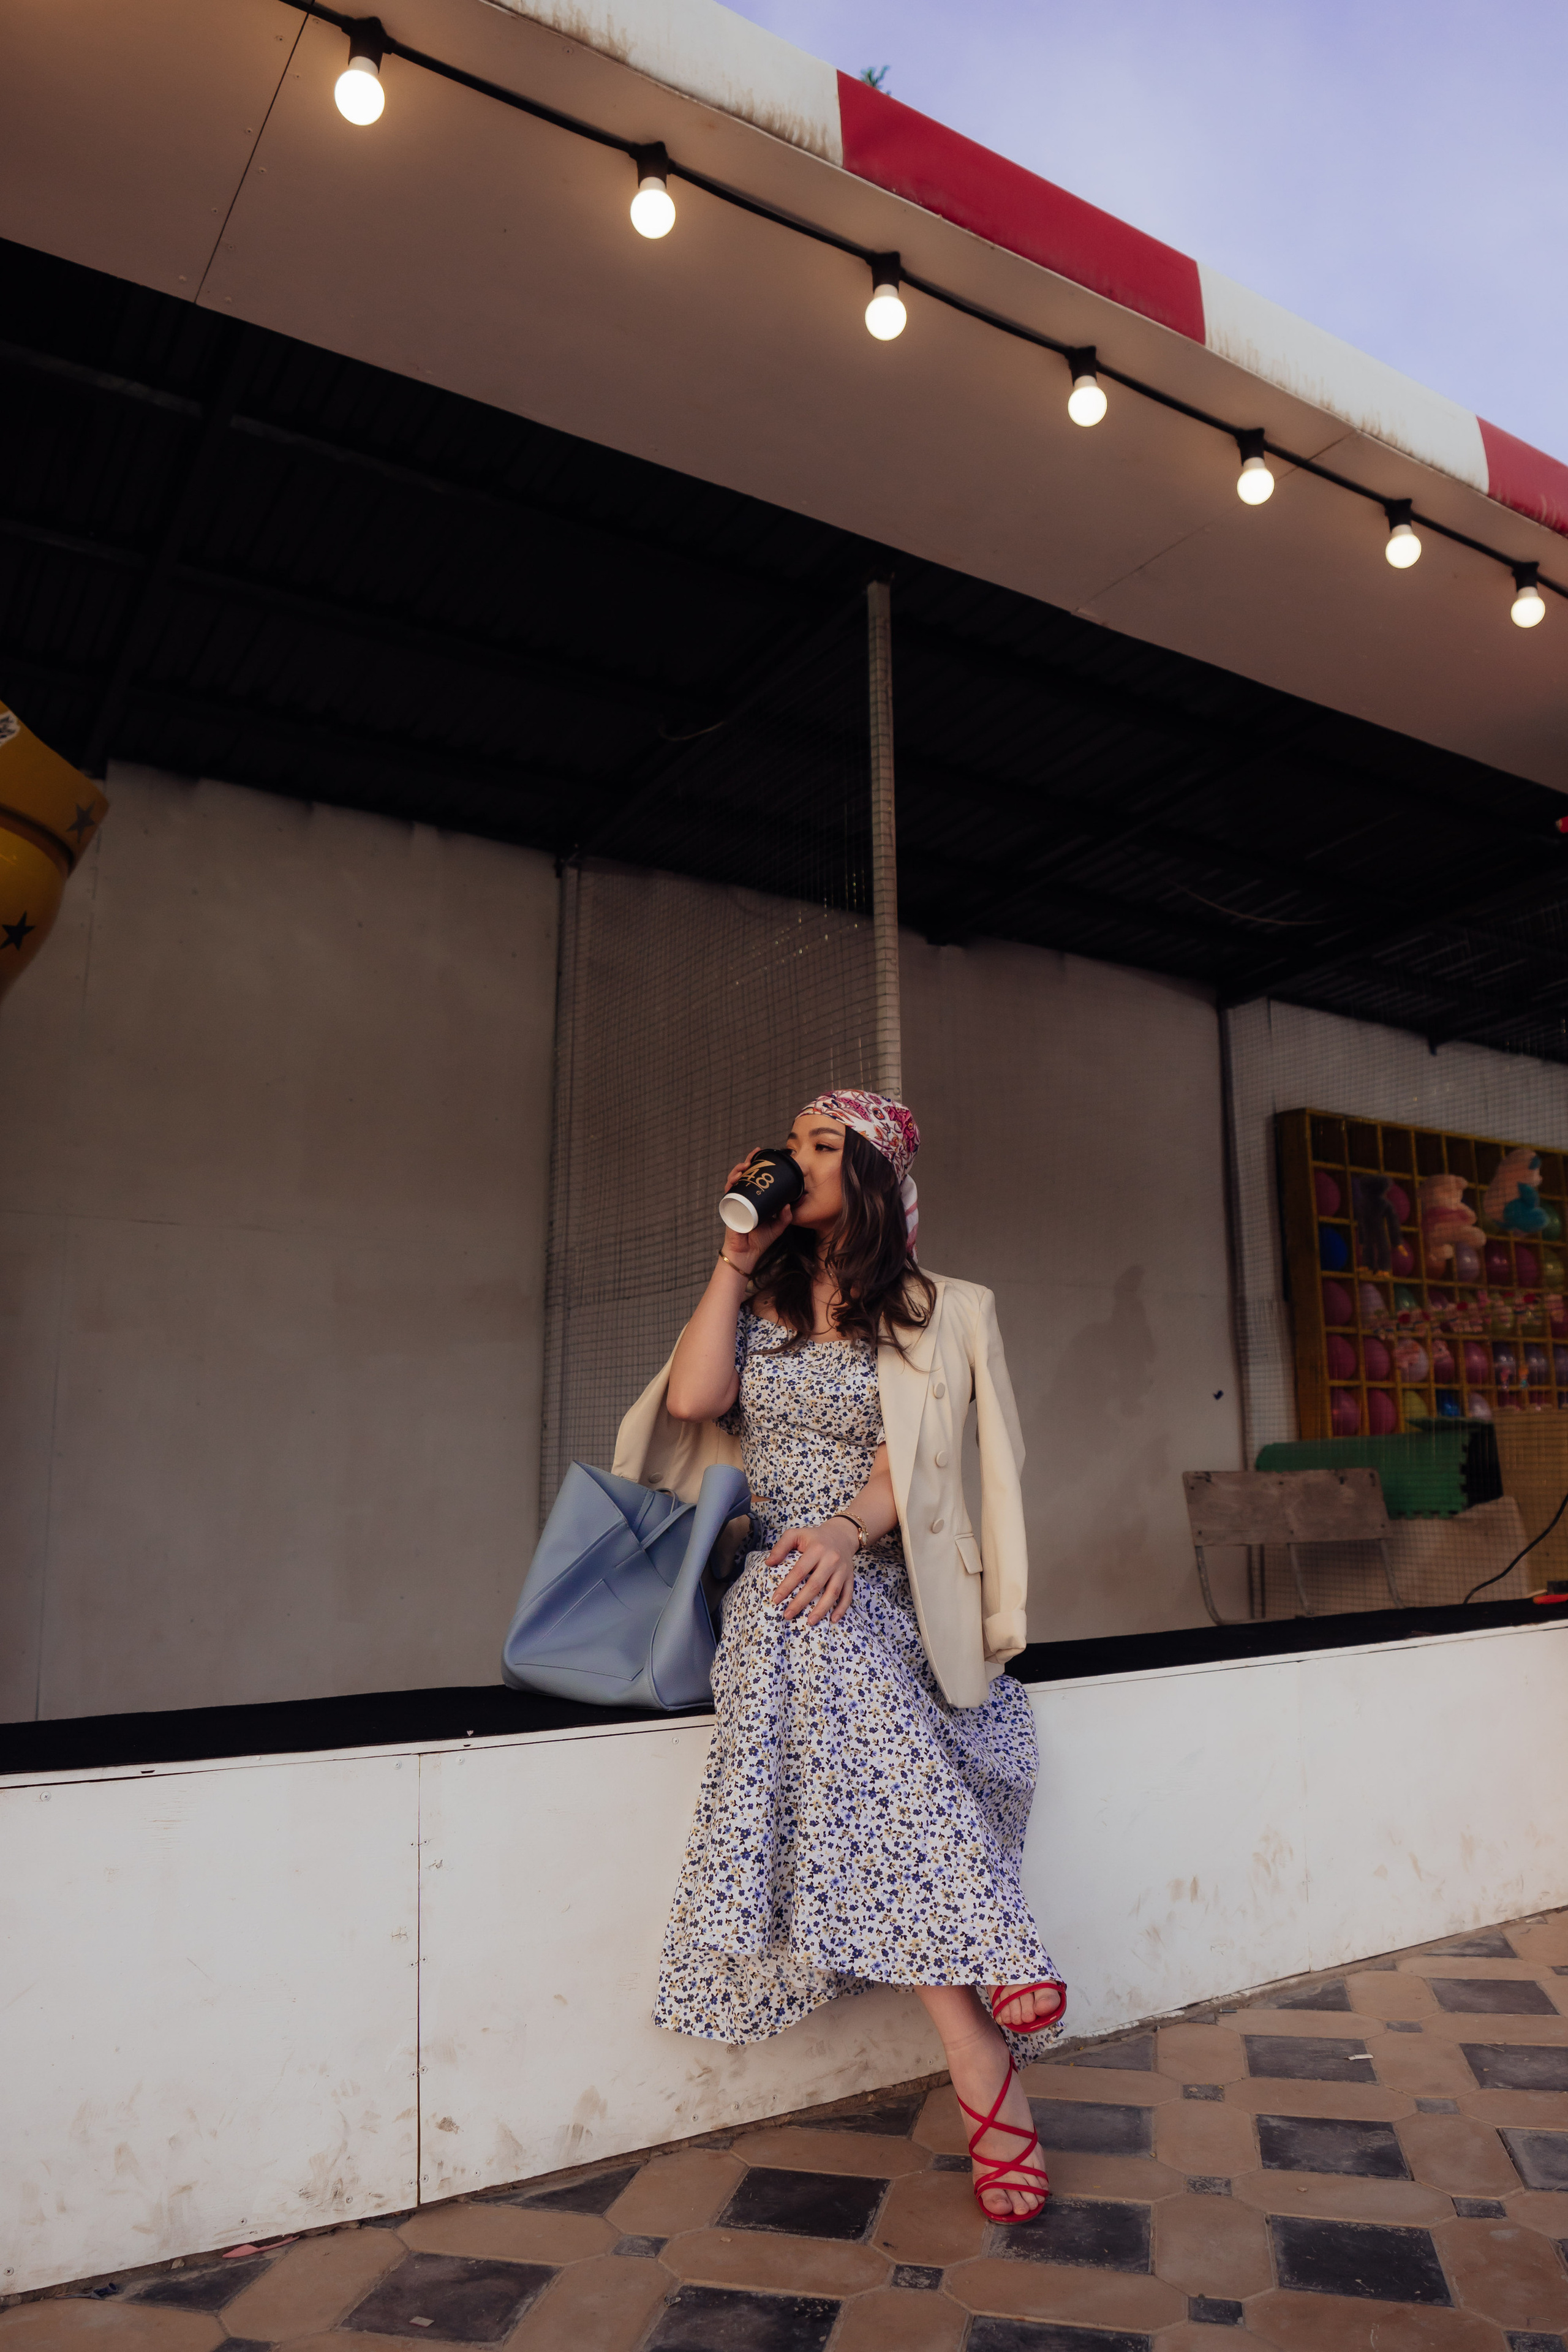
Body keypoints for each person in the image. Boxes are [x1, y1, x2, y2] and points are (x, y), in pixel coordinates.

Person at [612, 1088, 1065, 2222]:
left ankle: (973, 2043)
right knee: (788, 1609)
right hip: (776, 1581)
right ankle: (983, 2008)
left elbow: (931, 1467)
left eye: (824, 1146)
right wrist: (733, 1256)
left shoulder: (944, 1310)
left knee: (813, 1616)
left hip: (886, 1581)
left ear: (870, 1171)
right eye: (793, 1143)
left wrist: (848, 1536)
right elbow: (696, 1399)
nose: (795, 1160)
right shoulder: (759, 1296)